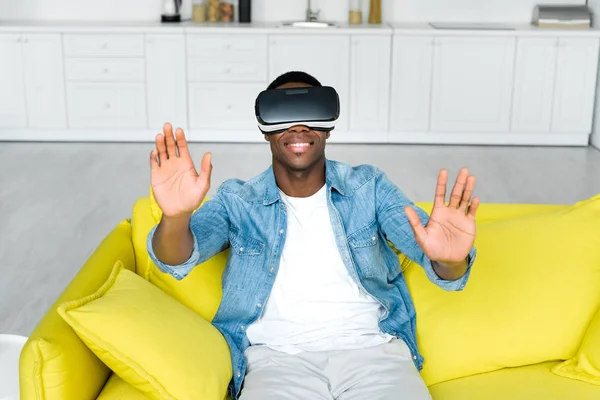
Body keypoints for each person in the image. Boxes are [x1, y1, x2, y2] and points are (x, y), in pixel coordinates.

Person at [147, 71, 479, 400]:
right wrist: (175, 217)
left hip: (376, 357)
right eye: (284, 115)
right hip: (276, 363)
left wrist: (450, 260)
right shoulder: (237, 200)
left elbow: (437, 258)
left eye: (310, 114)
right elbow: (175, 258)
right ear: (265, 130)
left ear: (328, 126)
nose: (298, 127)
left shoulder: (370, 187)